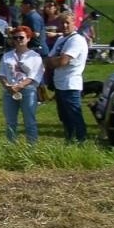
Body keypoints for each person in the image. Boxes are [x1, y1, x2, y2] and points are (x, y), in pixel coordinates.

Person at [45, 13, 89, 144]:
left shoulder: (77, 40)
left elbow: (63, 61)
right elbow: (49, 59)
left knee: (74, 115)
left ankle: (81, 142)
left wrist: (53, 61)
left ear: (74, 23)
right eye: (62, 23)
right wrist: (53, 61)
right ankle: (70, 140)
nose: (64, 25)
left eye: (67, 23)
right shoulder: (61, 40)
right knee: (64, 117)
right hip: (59, 84)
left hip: (71, 84)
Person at [0, 28, 42, 144]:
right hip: (9, 91)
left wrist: (20, 86)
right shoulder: (7, 56)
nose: (18, 40)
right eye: (15, 38)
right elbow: (1, 74)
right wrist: (7, 86)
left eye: (21, 37)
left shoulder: (35, 56)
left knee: (29, 121)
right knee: (10, 122)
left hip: (28, 90)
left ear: (28, 38)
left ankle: (32, 147)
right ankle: (11, 146)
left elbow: (34, 76)